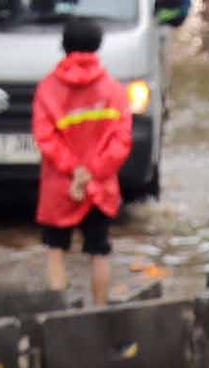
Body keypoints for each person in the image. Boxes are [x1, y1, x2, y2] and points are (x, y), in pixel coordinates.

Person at [33, 21, 134, 307]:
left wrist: (73, 170)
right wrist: (92, 172)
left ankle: (58, 315)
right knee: (99, 251)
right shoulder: (113, 90)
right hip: (99, 187)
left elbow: (45, 138)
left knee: (55, 250)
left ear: (64, 46)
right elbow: (122, 141)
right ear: (98, 45)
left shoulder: (48, 89)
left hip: (60, 186)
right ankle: (100, 311)